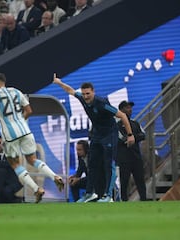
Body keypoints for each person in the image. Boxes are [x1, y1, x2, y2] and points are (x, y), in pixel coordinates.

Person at [53, 73, 135, 203]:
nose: (85, 96)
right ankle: (90, 193)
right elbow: (70, 90)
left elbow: (123, 116)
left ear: (93, 92)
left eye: (88, 94)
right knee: (92, 163)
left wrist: (130, 135)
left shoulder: (102, 103)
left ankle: (108, 196)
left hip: (110, 134)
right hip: (97, 134)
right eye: (84, 94)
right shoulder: (82, 98)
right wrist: (59, 82)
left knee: (109, 165)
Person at [0, 72, 64, 203]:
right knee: (33, 159)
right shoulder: (17, 92)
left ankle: (36, 189)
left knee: (15, 164)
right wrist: (20, 122)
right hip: (25, 131)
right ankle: (54, 176)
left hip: (10, 135)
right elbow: (29, 111)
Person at [117, 100, 147, 201]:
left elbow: (143, 135)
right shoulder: (116, 125)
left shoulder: (135, 123)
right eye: (127, 107)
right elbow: (121, 139)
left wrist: (132, 138)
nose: (130, 110)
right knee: (124, 182)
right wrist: (133, 138)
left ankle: (144, 200)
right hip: (124, 158)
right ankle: (124, 201)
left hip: (136, 157)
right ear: (121, 110)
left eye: (130, 107)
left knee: (140, 180)